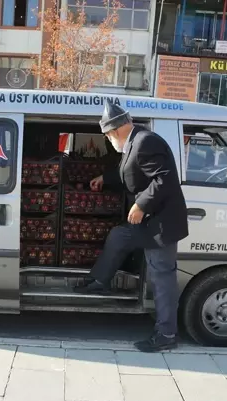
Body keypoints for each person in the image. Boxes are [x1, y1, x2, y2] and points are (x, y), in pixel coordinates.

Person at [75, 101, 189, 352]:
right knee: (119, 236)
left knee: (162, 277)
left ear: (114, 131)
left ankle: (167, 334)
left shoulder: (146, 142)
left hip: (161, 225)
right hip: (147, 223)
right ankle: (100, 280)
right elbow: (130, 171)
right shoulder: (133, 144)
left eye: (106, 136)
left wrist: (141, 206)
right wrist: (104, 178)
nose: (107, 140)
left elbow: (165, 179)